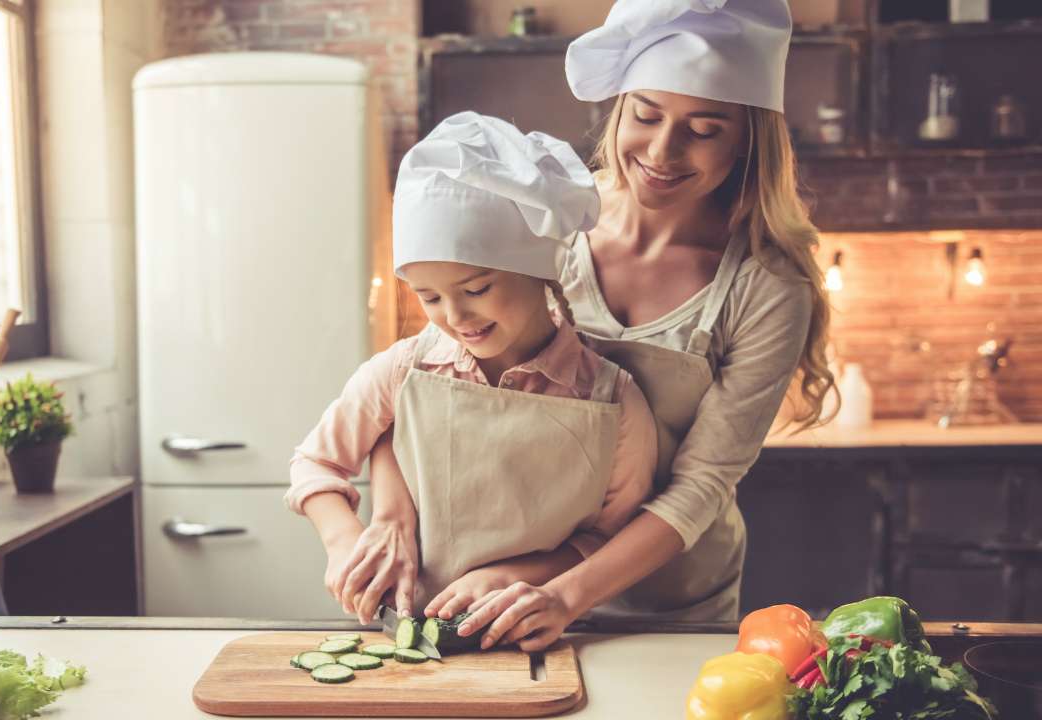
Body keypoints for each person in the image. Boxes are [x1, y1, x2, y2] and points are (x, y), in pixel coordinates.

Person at [332, 0, 837, 652]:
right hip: (504, 583)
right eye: (646, 115)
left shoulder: (767, 287)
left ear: (747, 138)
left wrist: (564, 594)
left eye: (704, 129)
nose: (662, 150)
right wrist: (394, 516)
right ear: (619, 110)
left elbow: (703, 483)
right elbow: (420, 383)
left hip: (666, 605)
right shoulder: (551, 213)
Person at [285, 111, 658, 629]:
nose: (456, 318)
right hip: (406, 635)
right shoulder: (403, 369)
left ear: (538, 273)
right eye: (429, 297)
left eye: (476, 290)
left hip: (539, 632)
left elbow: (609, 537)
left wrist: (515, 574)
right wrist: (346, 542)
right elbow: (315, 464)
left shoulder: (611, 400)